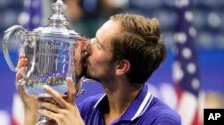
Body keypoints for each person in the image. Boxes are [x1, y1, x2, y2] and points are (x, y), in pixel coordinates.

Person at [16, 13, 182, 125]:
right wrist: (31, 108)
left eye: (99, 45)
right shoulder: (88, 109)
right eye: (94, 38)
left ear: (121, 66)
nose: (87, 46)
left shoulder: (162, 120)